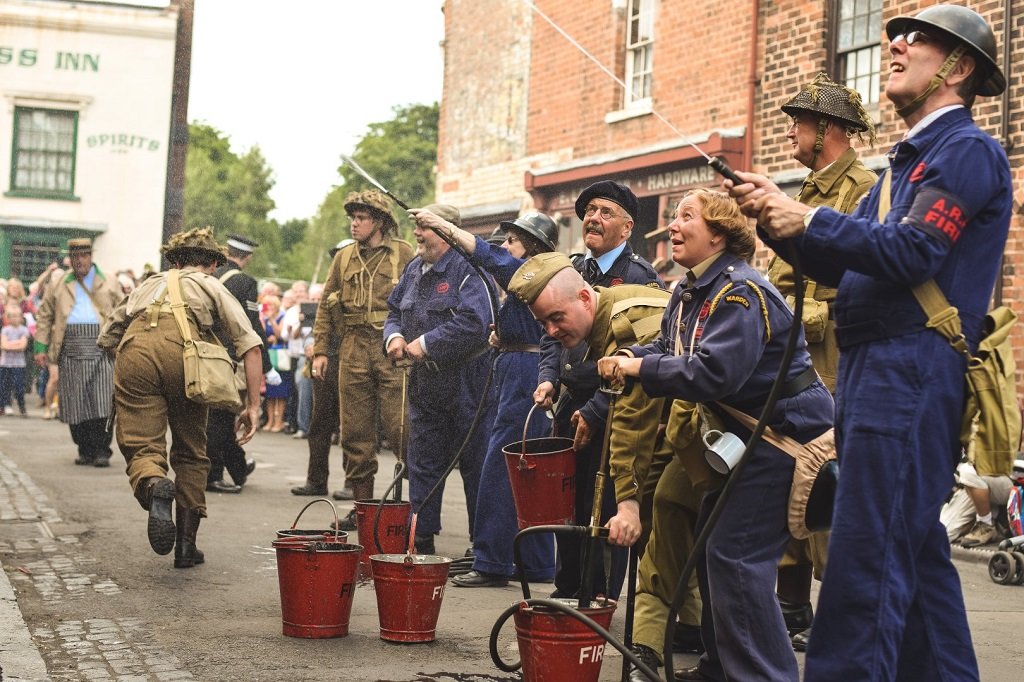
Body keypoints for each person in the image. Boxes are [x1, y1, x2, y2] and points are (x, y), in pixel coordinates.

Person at [726, 6, 1011, 679]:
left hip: (908, 370)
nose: (897, 44)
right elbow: (842, 262)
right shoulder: (903, 167)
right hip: (875, 373)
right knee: (912, 561)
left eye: (921, 40)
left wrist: (810, 216)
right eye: (898, 36)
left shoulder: (966, 150)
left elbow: (913, 252)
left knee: (864, 564)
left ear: (959, 68)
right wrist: (779, 222)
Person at [597, 188, 833, 681]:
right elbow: (668, 343)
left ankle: (764, 675)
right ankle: (721, 667)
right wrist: (629, 358)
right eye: (675, 216)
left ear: (720, 234)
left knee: (737, 557)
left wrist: (641, 367)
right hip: (749, 441)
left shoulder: (739, 292)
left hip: (784, 443)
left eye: (688, 217)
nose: (674, 226)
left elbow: (715, 374)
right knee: (713, 546)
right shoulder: (690, 291)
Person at [769, 72, 878, 651]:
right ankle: (791, 610)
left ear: (829, 130)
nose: (791, 130)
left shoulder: (862, 189)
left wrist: (793, 315)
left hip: (832, 358)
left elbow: (860, 278)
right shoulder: (805, 192)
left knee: (829, 482)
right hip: (792, 365)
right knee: (789, 472)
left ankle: (841, 615)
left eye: (800, 122)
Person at [409, 208, 560, 587]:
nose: (506, 247)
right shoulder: (541, 278)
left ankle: (491, 562)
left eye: (513, 241)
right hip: (523, 364)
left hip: (521, 374)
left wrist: (445, 227)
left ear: (533, 249)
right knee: (530, 473)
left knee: (499, 470)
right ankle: (537, 564)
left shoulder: (532, 272)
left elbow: (489, 257)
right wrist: (504, 336)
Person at [97, 228, 263, 568]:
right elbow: (250, 343)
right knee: (191, 451)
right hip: (187, 355)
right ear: (214, 263)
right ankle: (186, 546)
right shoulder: (212, 285)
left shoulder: (148, 283)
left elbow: (107, 335)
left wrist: (134, 372)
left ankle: (154, 483)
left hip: (136, 350)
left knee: (142, 444)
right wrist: (253, 407)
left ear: (173, 260)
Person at [535, 180, 663, 601]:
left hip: (609, 404)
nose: (593, 218)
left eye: (605, 212)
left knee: (604, 495)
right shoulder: (572, 270)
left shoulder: (639, 276)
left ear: (627, 228)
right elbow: (553, 336)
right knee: (567, 496)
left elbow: (637, 356)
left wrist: (594, 405)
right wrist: (548, 377)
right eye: (589, 211)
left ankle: (597, 592)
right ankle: (567, 585)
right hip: (570, 403)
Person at [383, 203, 493, 554]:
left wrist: (426, 344)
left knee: (476, 465)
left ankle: (482, 550)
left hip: (468, 381)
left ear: (447, 231)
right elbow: (393, 310)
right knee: (423, 461)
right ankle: (422, 539)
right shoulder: (414, 268)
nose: (416, 233)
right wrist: (394, 337)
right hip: (426, 383)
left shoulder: (470, 268)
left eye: (425, 228)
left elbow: (476, 323)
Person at [301, 191, 414, 530]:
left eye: (361, 218)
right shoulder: (345, 257)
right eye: (353, 217)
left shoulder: (404, 254)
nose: (354, 223)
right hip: (352, 347)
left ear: (379, 222)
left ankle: (420, 511)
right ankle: (363, 510)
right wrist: (321, 350)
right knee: (355, 433)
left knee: (402, 430)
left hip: (390, 347)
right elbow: (324, 304)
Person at [34, 237, 123, 467]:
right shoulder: (59, 282)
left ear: (91, 257)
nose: (79, 260)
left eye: (83, 255)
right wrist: (41, 347)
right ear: (70, 259)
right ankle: (84, 449)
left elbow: (125, 312)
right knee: (75, 403)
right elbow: (44, 315)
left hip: (103, 347)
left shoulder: (110, 281)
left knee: (102, 402)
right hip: (71, 346)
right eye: (75, 256)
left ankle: (102, 450)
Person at [205, 234, 279, 494]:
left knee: (213, 417)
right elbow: (252, 326)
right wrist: (266, 365)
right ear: (247, 257)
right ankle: (213, 475)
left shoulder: (209, 276)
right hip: (228, 357)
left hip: (202, 353)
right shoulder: (245, 282)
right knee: (222, 418)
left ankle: (237, 468)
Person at [291, 241, 352, 498]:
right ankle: (316, 480)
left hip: (354, 358)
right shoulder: (331, 288)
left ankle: (353, 484)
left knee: (354, 426)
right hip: (329, 358)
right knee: (320, 422)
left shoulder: (365, 287)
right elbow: (319, 323)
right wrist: (317, 350)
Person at [1, 303, 30, 417]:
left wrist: (10, 344)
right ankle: (6, 405)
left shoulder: (24, 330)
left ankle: (22, 406)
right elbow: (3, 346)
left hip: (19, 364)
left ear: (21, 317)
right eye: (11, 316)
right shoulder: (5, 330)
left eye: (16, 315)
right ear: (7, 317)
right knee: (4, 387)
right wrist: (15, 344)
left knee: (19, 387)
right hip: (5, 364)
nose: (14, 318)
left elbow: (22, 346)